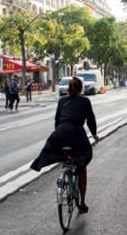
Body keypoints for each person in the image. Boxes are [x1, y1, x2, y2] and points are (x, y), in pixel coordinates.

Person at [30, 77, 98, 214]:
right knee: (83, 161)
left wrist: (58, 135)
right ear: (81, 89)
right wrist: (94, 134)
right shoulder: (85, 101)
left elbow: (57, 120)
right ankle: (82, 203)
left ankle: (64, 169)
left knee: (61, 153)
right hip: (77, 133)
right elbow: (91, 120)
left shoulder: (62, 101)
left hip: (60, 133)